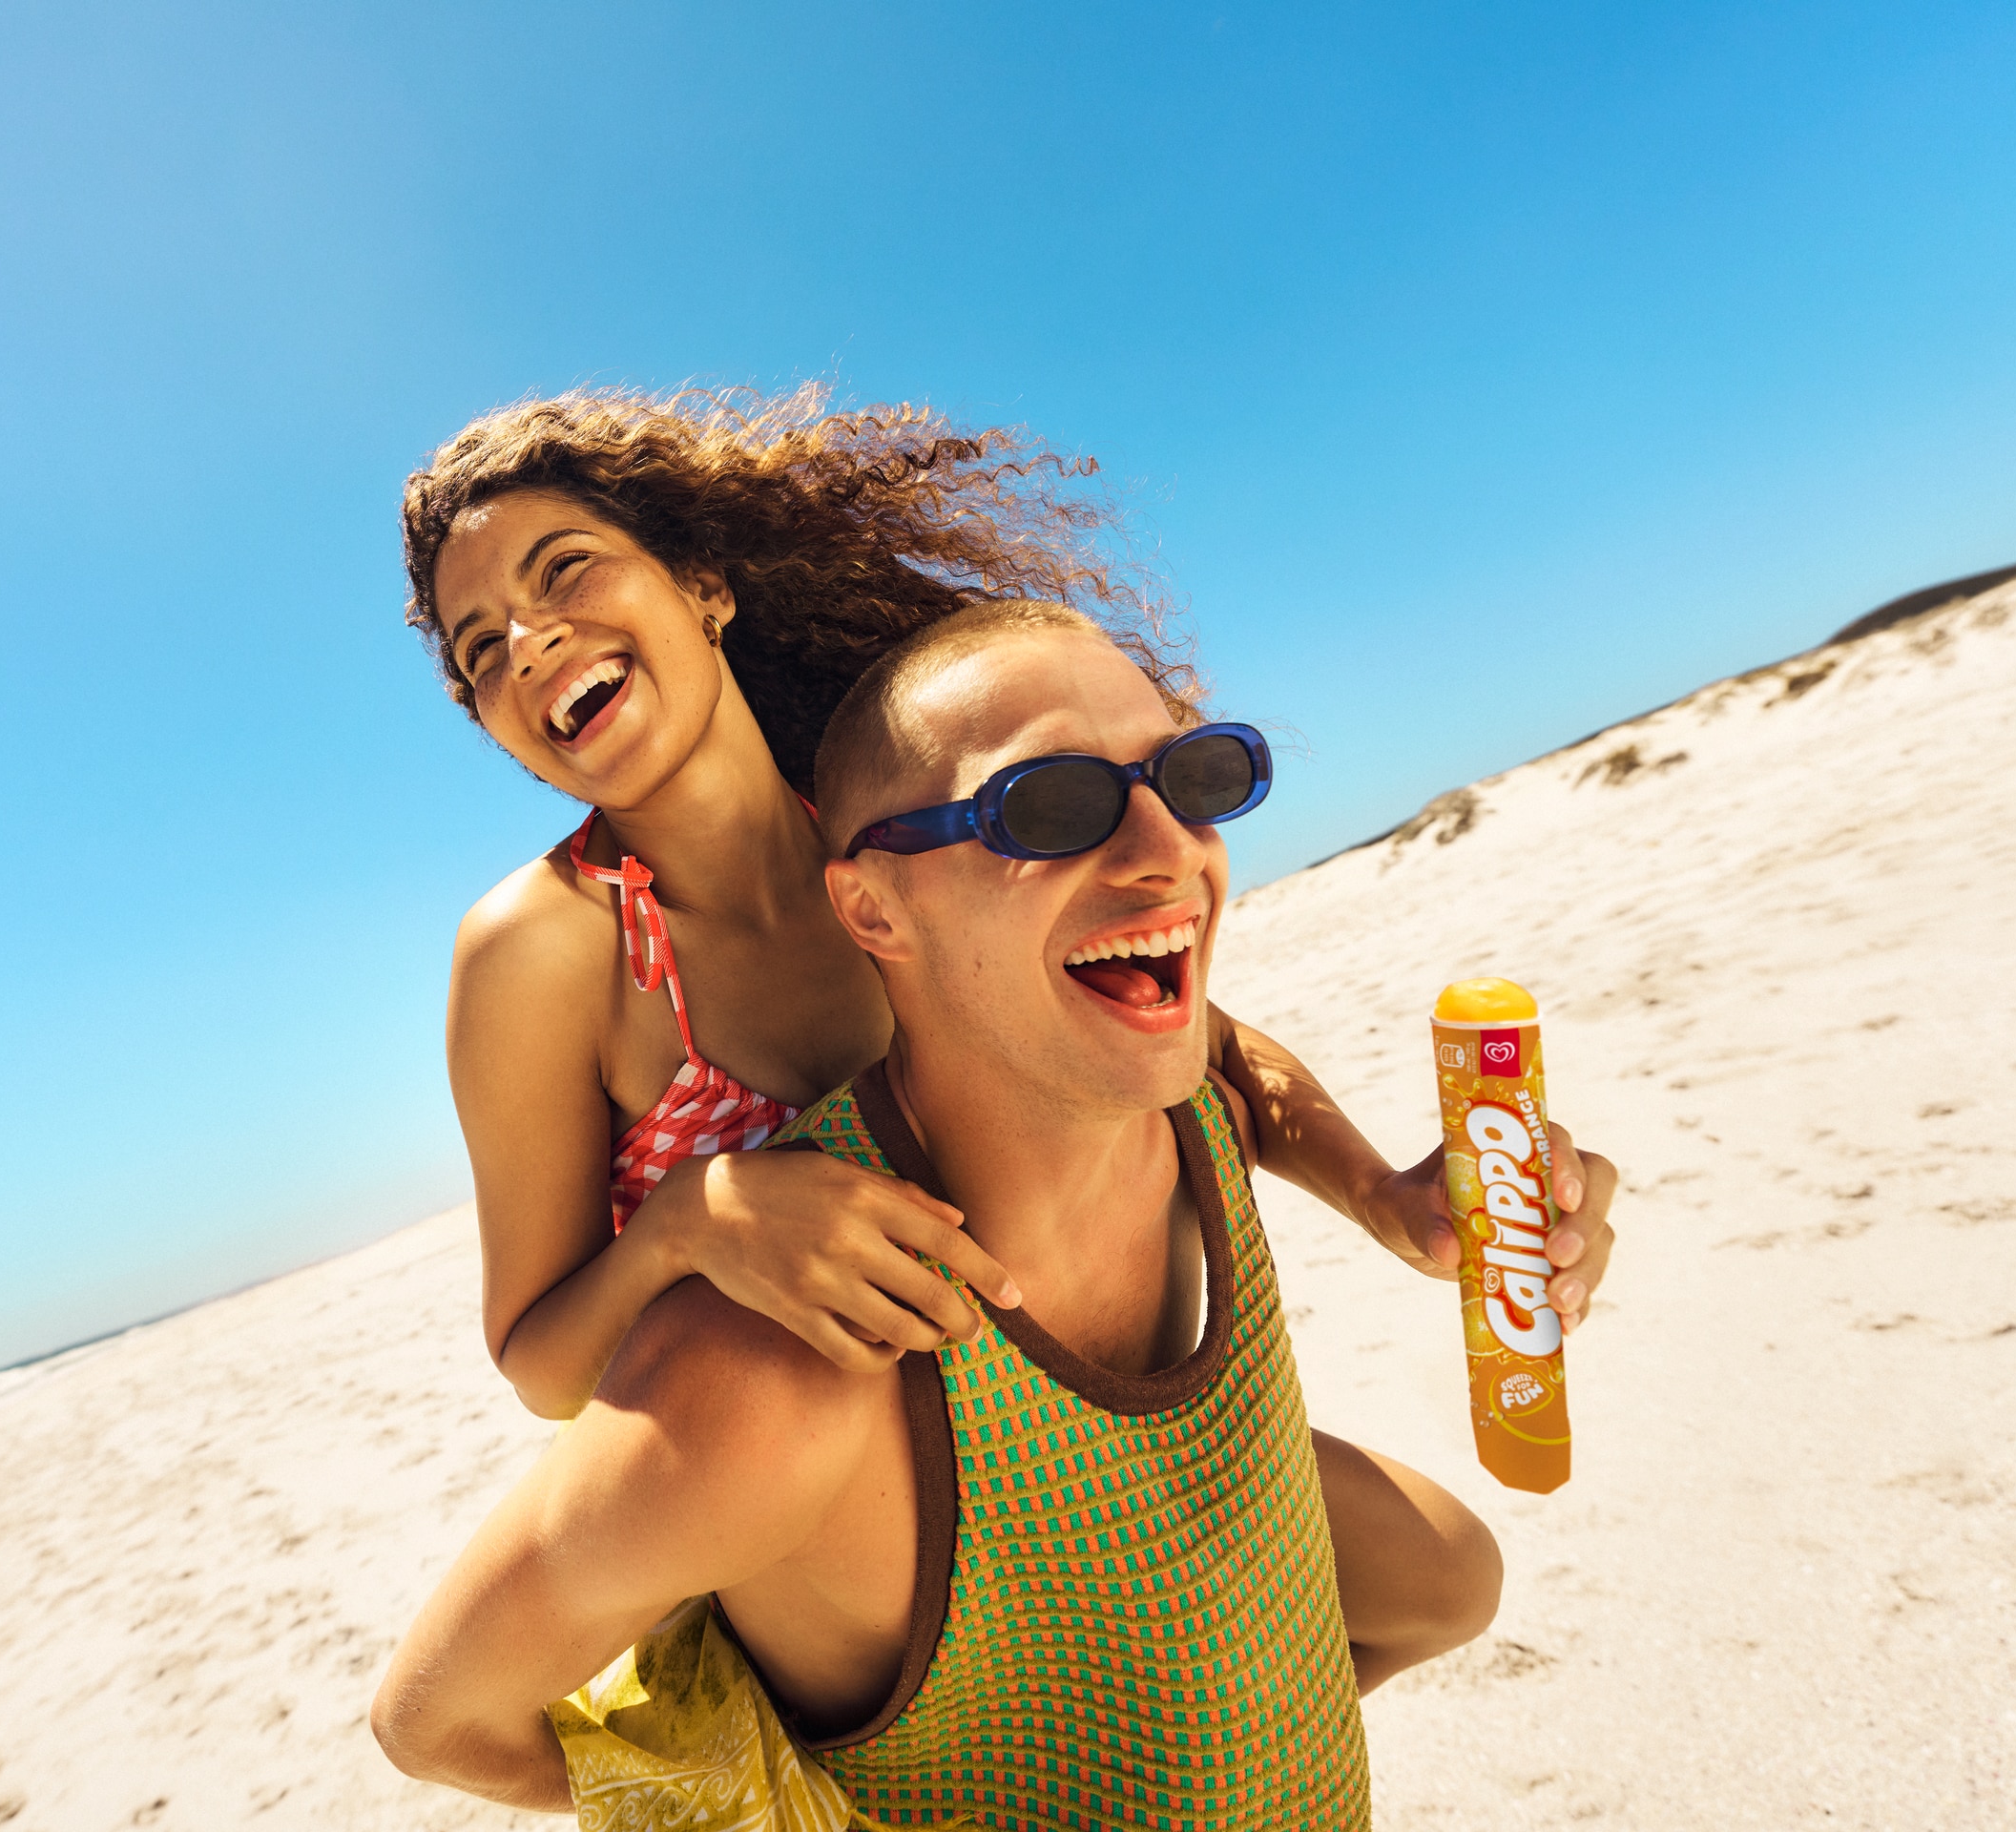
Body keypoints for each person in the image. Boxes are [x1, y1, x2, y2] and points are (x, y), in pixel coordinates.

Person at [396, 387, 1615, 1688]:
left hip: (1051, 1393)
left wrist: (1386, 1195)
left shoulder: (894, 807)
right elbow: (540, 1361)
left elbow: (1172, 1015)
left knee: (1443, 1584)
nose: (527, 641)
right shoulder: (547, 950)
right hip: (820, 1515)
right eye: (480, 650)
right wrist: (699, 1219)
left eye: (566, 568)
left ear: (703, 585)